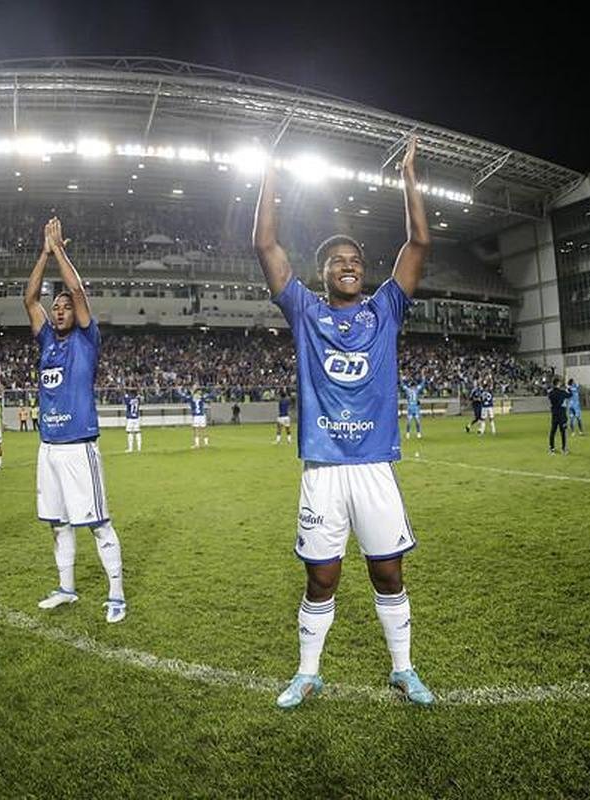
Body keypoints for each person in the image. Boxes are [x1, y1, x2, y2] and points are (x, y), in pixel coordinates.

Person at [255, 135, 433, 708]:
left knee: (388, 573)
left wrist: (409, 175)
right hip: (324, 469)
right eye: (338, 262)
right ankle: (308, 673)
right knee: (322, 578)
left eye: (356, 261)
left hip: (375, 466)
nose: (349, 266)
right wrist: (272, 175)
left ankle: (403, 669)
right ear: (324, 273)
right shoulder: (304, 310)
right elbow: (266, 243)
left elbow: (419, 242)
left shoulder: (386, 309)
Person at [24, 217, 127, 623]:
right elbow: (30, 299)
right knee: (58, 523)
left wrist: (61, 253)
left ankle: (116, 595)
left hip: (79, 447)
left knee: (98, 524)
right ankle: (66, 588)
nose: (60, 310)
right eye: (57, 307)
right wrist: (44, 254)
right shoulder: (47, 338)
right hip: (47, 447)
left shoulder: (87, 338)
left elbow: (79, 291)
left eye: (66, 307)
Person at [548, 378, 571, 454]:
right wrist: (568, 388)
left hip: (554, 414)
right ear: (558, 383)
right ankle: (564, 449)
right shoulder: (562, 392)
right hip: (562, 414)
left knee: (552, 432)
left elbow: (550, 397)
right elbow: (570, 395)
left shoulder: (551, 393)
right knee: (563, 432)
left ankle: (552, 448)